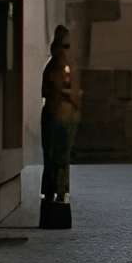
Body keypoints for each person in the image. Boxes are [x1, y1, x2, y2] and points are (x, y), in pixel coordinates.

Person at [38, 25, 78, 230]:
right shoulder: (58, 66)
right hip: (58, 116)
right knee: (58, 157)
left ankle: (56, 192)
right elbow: (59, 88)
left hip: (56, 115)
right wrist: (74, 99)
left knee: (57, 157)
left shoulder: (56, 65)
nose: (66, 51)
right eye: (65, 45)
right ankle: (57, 193)